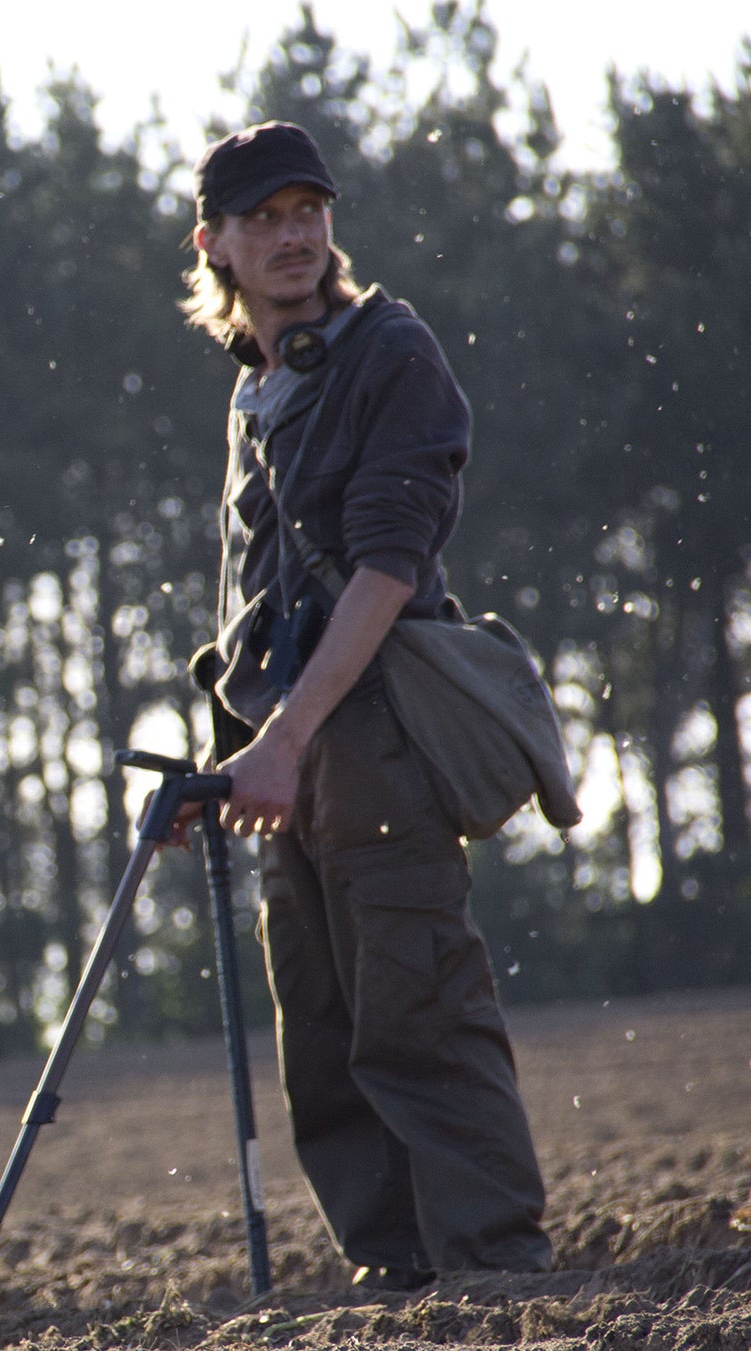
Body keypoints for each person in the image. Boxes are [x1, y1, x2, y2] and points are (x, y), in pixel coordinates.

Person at [171, 121, 552, 1288]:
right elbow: (259, 599)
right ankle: (393, 1271)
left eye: (307, 212)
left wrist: (282, 741)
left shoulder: (388, 349)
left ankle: (493, 1268)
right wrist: (228, 754)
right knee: (324, 1036)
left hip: (375, 731)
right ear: (214, 245)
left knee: (415, 1010)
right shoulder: (259, 392)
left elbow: (387, 571)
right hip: (285, 754)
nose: (292, 236)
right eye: (263, 218)